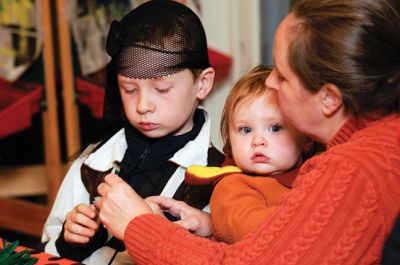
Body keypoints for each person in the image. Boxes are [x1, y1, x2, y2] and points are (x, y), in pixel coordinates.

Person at [96, 0, 400, 264]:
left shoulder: (350, 171)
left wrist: (139, 225)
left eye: (282, 76)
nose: (269, 82)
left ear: (329, 99)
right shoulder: (383, 137)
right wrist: (212, 224)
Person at [41, 1, 225, 264]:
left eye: (162, 90)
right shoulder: (91, 164)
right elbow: (48, 247)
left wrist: (156, 230)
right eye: (129, 89)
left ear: (203, 83)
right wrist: (71, 241)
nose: (143, 106)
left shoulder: (217, 180)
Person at [183, 65, 314, 243]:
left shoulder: (319, 172)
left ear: (307, 138)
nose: (257, 140)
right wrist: (315, 213)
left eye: (275, 128)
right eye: (246, 130)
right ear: (229, 140)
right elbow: (252, 230)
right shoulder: (232, 185)